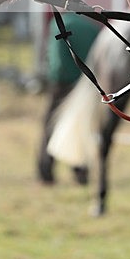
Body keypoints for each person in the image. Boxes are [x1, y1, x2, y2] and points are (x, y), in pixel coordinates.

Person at [37, 12, 99, 184]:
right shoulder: (91, 27)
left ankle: (46, 171)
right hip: (85, 83)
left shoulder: (58, 24)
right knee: (82, 126)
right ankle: (81, 173)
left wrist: (54, 77)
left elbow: (56, 58)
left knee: (50, 125)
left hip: (61, 84)